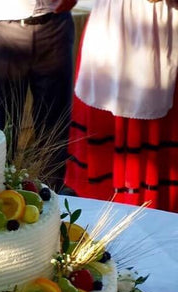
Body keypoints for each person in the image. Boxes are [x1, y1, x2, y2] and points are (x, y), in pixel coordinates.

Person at [64, 0, 178, 212]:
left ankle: (155, 205)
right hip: (111, 27)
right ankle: (101, 209)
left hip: (162, 26)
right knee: (105, 117)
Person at [0, 0, 78, 192]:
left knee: (55, 123)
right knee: (2, 126)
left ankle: (54, 199)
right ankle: (4, 200)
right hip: (2, 30)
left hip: (54, 26)